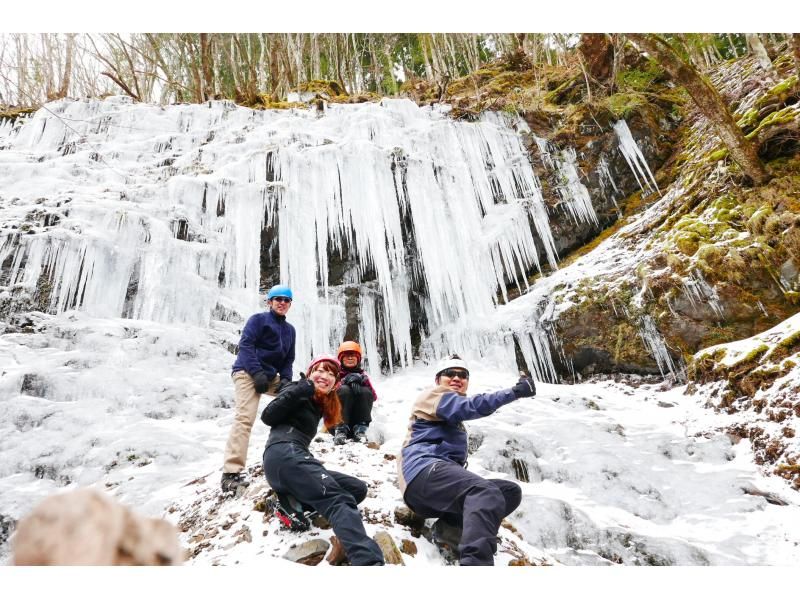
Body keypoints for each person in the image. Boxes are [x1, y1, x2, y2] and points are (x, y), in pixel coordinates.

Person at [396, 354, 536, 566]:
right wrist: (515, 392)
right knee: (484, 491)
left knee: (508, 492)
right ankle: (475, 563)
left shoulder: (450, 411)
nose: (456, 378)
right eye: (449, 374)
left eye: (462, 375)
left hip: (435, 489)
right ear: (438, 380)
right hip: (422, 473)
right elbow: (471, 406)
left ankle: (450, 532)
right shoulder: (433, 396)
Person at [261, 355, 385, 566]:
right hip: (285, 453)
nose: (325, 375)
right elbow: (268, 416)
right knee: (339, 500)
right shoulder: (297, 389)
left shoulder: (320, 402)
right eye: (320, 370)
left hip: (287, 462)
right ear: (309, 374)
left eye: (331, 374)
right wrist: (300, 388)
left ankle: (292, 505)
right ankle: (368, 563)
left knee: (357, 489)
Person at [221, 284, 296, 493]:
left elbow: (288, 359)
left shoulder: (290, 331)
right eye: (278, 299)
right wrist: (256, 373)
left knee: (299, 396)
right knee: (245, 418)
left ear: (290, 304)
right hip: (246, 372)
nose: (282, 302)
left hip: (270, 376)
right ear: (270, 302)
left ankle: (292, 454)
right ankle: (230, 473)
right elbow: (245, 347)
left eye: (286, 300)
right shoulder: (258, 320)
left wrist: (287, 381)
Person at [332, 340, 378, 445]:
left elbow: (373, 397)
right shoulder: (335, 374)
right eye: (346, 356)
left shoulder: (362, 376)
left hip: (357, 423)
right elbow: (329, 395)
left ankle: (361, 429)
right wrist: (345, 380)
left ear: (358, 359)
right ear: (341, 359)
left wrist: (364, 382)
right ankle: (340, 430)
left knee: (365, 391)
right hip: (336, 423)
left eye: (353, 355)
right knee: (344, 390)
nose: (350, 358)